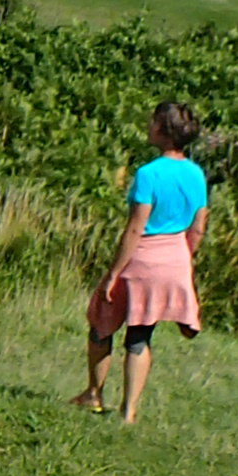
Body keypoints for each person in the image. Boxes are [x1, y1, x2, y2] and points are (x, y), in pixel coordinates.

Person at [74, 101, 209, 422]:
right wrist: (183, 258)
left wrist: (114, 273)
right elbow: (199, 226)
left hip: (143, 258)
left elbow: (136, 227)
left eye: (153, 122)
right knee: (140, 334)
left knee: (102, 323)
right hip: (175, 257)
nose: (148, 126)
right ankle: (129, 411)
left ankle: (94, 393)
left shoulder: (148, 174)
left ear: (163, 130)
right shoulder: (196, 174)